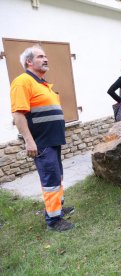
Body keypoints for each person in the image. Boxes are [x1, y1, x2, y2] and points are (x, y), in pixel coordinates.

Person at [10, 45, 75, 231]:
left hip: (53, 139)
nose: (46, 59)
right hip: (41, 142)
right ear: (29, 61)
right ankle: (54, 221)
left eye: (46, 56)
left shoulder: (43, 84)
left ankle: (58, 209)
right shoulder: (23, 82)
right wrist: (29, 141)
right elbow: (19, 115)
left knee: (57, 176)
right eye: (40, 56)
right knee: (50, 180)